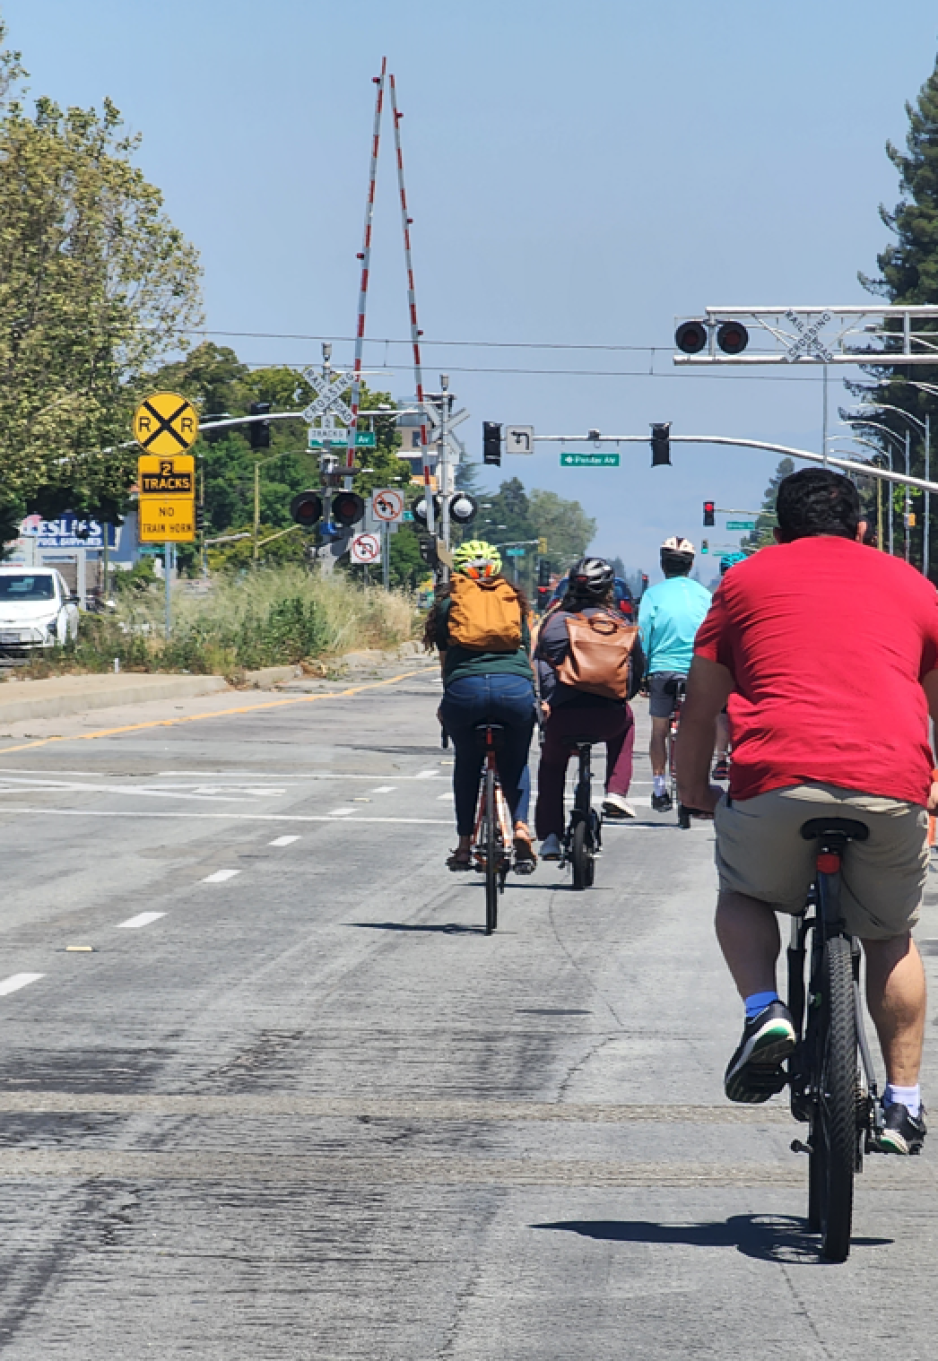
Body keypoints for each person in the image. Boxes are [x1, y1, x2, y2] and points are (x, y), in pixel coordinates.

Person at [676, 467, 938, 1154]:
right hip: (891, 782)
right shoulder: (915, 586)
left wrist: (693, 790)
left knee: (742, 889)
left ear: (780, 533)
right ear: (861, 528)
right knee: (889, 932)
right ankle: (904, 1104)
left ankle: (764, 1009)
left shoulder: (743, 583)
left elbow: (699, 711)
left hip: (775, 778)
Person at [424, 540, 537, 872]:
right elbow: (528, 660)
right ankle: (520, 827)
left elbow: (446, 665)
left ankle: (462, 846)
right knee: (516, 762)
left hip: (466, 693)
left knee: (467, 764)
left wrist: (449, 702)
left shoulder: (449, 605)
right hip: (514, 690)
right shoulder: (515, 602)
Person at [533, 557, 645, 859]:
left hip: (563, 718)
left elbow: (540, 667)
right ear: (608, 590)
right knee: (627, 723)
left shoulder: (554, 623)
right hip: (608, 716)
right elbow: (636, 674)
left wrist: (547, 701)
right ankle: (616, 791)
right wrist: (620, 697)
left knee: (553, 766)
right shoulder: (619, 624)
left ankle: (550, 837)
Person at [637, 537, 711, 811]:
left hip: (662, 670)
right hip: (699, 671)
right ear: (690, 565)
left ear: (662, 564)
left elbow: (643, 634)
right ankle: (698, 784)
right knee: (702, 728)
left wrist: (642, 673)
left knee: (659, 731)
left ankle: (659, 789)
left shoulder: (652, 595)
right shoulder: (705, 596)